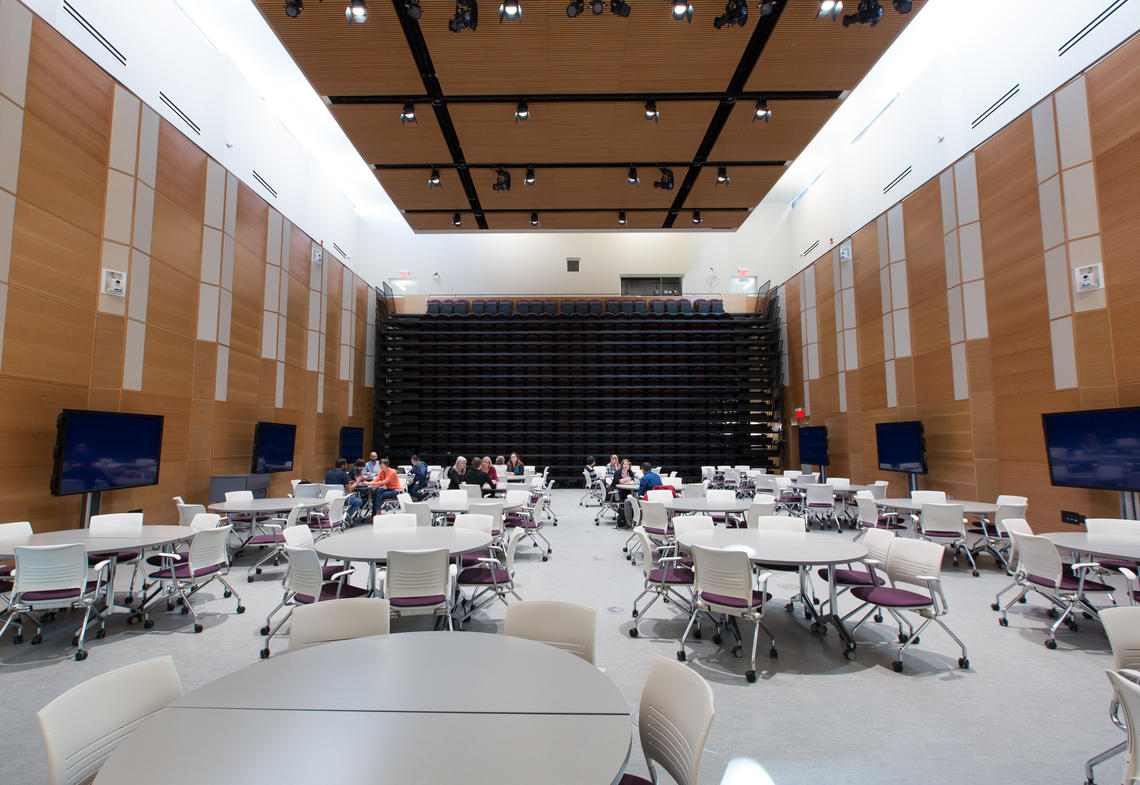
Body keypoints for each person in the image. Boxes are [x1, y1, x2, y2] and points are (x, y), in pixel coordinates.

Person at [325, 458, 363, 522]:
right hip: (340, 498)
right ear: (343, 466)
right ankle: (345, 518)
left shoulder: (328, 473)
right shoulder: (343, 474)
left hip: (329, 498)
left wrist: (348, 482)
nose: (347, 466)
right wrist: (357, 481)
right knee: (358, 501)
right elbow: (350, 489)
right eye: (346, 465)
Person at [610, 458, 637, 528]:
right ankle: (624, 517)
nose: (626, 465)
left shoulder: (630, 472)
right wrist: (626, 479)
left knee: (634, 497)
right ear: (622, 465)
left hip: (627, 490)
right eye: (625, 464)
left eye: (627, 464)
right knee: (627, 499)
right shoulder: (618, 472)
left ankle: (632, 516)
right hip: (617, 490)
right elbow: (617, 481)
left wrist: (625, 480)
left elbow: (633, 479)